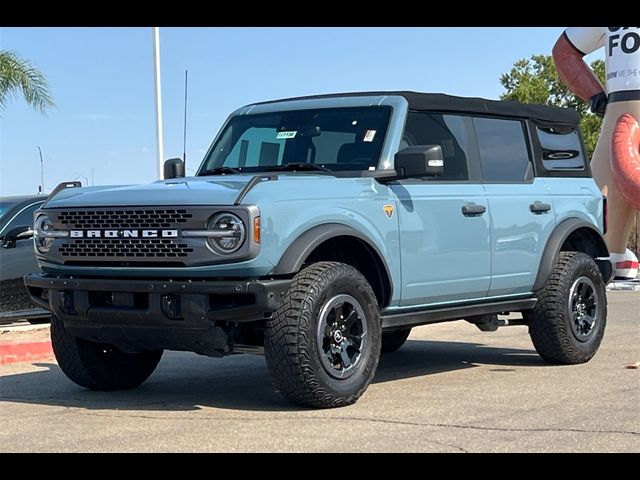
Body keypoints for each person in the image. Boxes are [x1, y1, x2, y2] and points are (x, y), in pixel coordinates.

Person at [553, 27, 640, 279]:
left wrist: (597, 97)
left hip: (620, 106)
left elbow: (563, 52)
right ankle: (610, 254)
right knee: (598, 205)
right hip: (620, 105)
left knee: (598, 198)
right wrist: (597, 98)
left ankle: (609, 252)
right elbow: (564, 52)